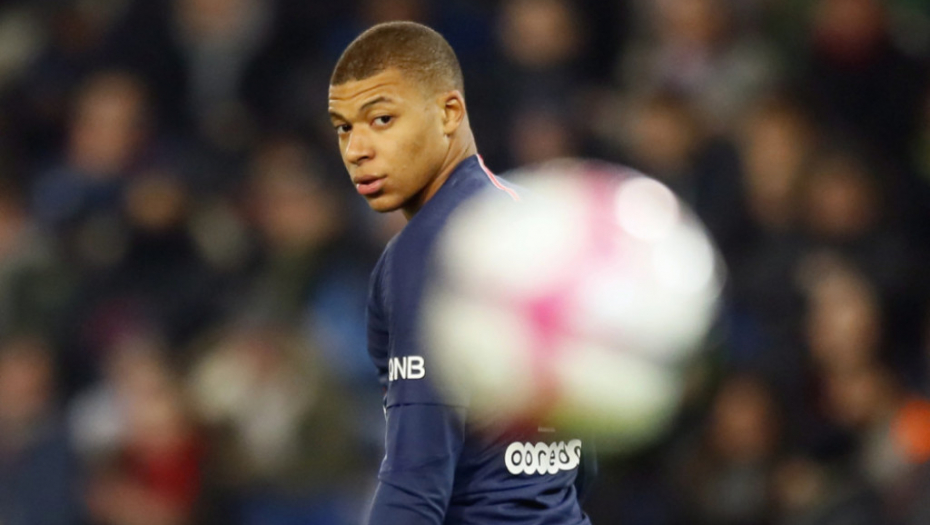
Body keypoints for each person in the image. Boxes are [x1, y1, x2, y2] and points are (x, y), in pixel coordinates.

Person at [328, 21, 594, 524]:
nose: (357, 149)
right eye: (344, 127)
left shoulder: (429, 252)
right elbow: (584, 452)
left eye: (382, 119)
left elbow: (415, 484)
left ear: (450, 112)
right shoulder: (540, 218)